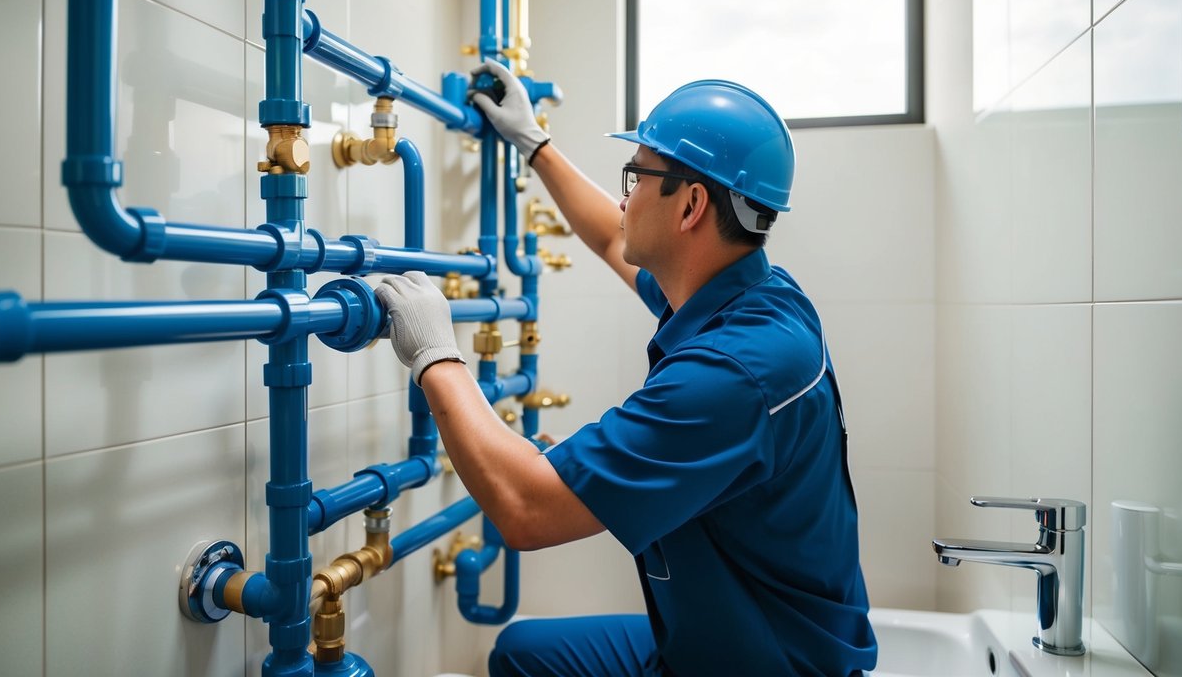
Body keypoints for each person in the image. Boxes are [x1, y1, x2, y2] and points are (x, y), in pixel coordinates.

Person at [373, 60, 878, 676]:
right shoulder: (751, 295)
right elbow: (615, 239)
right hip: (720, 633)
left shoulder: (735, 374)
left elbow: (525, 510)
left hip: (766, 662)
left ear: (690, 205)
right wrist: (534, 145)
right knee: (520, 655)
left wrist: (435, 355)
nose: (623, 195)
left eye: (637, 176)